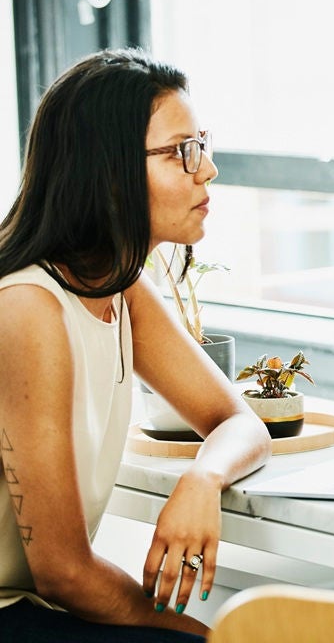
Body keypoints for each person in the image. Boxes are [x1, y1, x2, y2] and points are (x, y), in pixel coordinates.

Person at [0, 49, 272, 641]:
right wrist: (205, 635)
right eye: (182, 152)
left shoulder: (121, 286)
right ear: (108, 170)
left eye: (201, 144)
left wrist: (202, 480)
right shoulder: (27, 307)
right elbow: (64, 574)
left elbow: (239, 422)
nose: (208, 171)